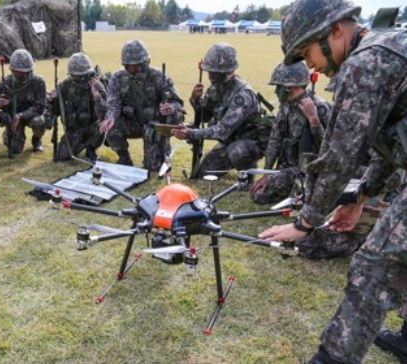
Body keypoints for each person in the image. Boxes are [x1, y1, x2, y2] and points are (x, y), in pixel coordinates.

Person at [257, 0, 407, 362]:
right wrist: (364, 194)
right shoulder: (387, 46)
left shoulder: (364, 65)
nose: (309, 65)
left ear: (336, 30)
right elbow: (392, 138)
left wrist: (306, 222)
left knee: (373, 266)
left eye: (307, 51)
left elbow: (340, 157)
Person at [172, 43, 267, 179]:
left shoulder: (242, 95)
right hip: (228, 141)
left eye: (216, 73)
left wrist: (191, 134)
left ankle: (247, 175)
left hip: (249, 142)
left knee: (238, 152)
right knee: (204, 175)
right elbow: (205, 116)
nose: (212, 77)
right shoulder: (216, 88)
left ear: (229, 71)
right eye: (210, 72)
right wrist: (195, 100)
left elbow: (223, 130)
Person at [250, 61, 331, 204]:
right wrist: (267, 173)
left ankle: (305, 192)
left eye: (278, 87)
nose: (276, 91)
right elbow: (275, 140)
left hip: (311, 169)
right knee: (258, 195)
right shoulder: (286, 107)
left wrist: (314, 121)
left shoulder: (320, 107)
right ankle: (296, 192)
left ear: (290, 87)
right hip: (289, 167)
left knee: (274, 185)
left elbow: (327, 149)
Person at [99, 40, 184, 171]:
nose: (131, 70)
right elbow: (113, 104)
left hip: (153, 126)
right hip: (131, 123)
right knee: (111, 125)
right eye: (128, 66)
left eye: (135, 66)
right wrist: (110, 118)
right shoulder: (118, 78)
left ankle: (161, 150)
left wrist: (170, 108)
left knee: (153, 168)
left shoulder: (158, 77)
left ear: (145, 63)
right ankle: (124, 158)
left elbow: (178, 104)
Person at [48, 52, 106, 162]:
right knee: (61, 157)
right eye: (74, 75)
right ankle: (82, 144)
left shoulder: (97, 84)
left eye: (81, 75)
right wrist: (53, 100)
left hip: (93, 128)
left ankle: (91, 149)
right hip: (74, 129)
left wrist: (96, 96)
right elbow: (55, 111)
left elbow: (105, 111)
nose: (77, 78)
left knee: (103, 126)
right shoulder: (65, 85)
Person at [0, 49, 47, 155]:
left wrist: (21, 115)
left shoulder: (38, 82)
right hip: (13, 117)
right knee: (15, 150)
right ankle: (10, 133)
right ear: (12, 70)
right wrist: (0, 103)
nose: (21, 74)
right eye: (18, 72)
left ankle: (36, 140)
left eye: (24, 72)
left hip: (31, 115)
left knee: (39, 122)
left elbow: (40, 106)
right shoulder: (5, 82)